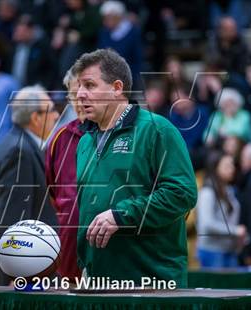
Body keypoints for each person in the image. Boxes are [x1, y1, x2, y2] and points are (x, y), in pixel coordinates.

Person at [74, 49, 197, 287]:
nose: (80, 94)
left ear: (117, 87)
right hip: (97, 281)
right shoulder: (84, 141)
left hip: (151, 281)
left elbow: (182, 194)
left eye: (89, 85)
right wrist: (85, 263)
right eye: (79, 86)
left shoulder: (157, 129)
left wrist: (122, 215)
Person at [0, 85, 59, 285]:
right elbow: (13, 216)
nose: (56, 116)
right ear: (35, 117)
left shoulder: (15, 143)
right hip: (25, 269)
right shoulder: (19, 152)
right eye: (51, 110)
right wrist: (15, 271)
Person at [45, 68, 85, 281]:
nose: (79, 99)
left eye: (86, 90)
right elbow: (53, 195)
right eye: (73, 94)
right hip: (69, 258)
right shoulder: (59, 139)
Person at [196, 152, 246, 268]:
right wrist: (235, 231)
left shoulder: (229, 190)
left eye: (232, 165)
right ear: (215, 168)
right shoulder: (207, 192)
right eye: (227, 166)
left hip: (229, 250)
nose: (232, 169)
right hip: (212, 251)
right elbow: (207, 224)